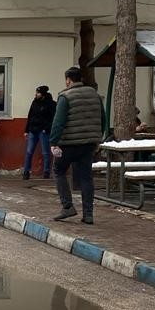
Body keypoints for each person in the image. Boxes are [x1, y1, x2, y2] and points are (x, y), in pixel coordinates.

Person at [50, 67, 104, 225]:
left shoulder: (65, 96)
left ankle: (67, 206)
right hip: (88, 143)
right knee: (86, 177)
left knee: (59, 170)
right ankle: (88, 214)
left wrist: (53, 142)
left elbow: (58, 122)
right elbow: (103, 117)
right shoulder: (95, 94)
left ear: (68, 80)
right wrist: (97, 137)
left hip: (69, 144)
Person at [22, 86, 57, 180]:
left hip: (43, 131)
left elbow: (53, 118)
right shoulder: (34, 102)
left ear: (43, 94)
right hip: (33, 130)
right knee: (29, 152)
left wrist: (46, 128)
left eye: (38, 93)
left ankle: (46, 172)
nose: (36, 94)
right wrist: (26, 130)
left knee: (45, 152)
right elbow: (30, 116)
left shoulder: (51, 104)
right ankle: (26, 171)